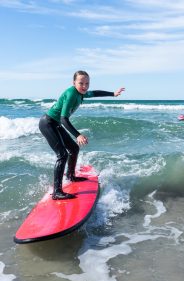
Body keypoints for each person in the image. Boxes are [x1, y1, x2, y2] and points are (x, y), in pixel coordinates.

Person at [39, 70, 125, 200]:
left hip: (55, 124)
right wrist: (78, 135)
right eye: (81, 83)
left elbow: (94, 93)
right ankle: (57, 192)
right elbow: (64, 119)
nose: (84, 86)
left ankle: (71, 176)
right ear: (74, 83)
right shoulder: (71, 94)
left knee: (74, 148)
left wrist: (113, 94)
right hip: (48, 123)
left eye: (87, 83)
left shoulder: (81, 93)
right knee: (62, 154)